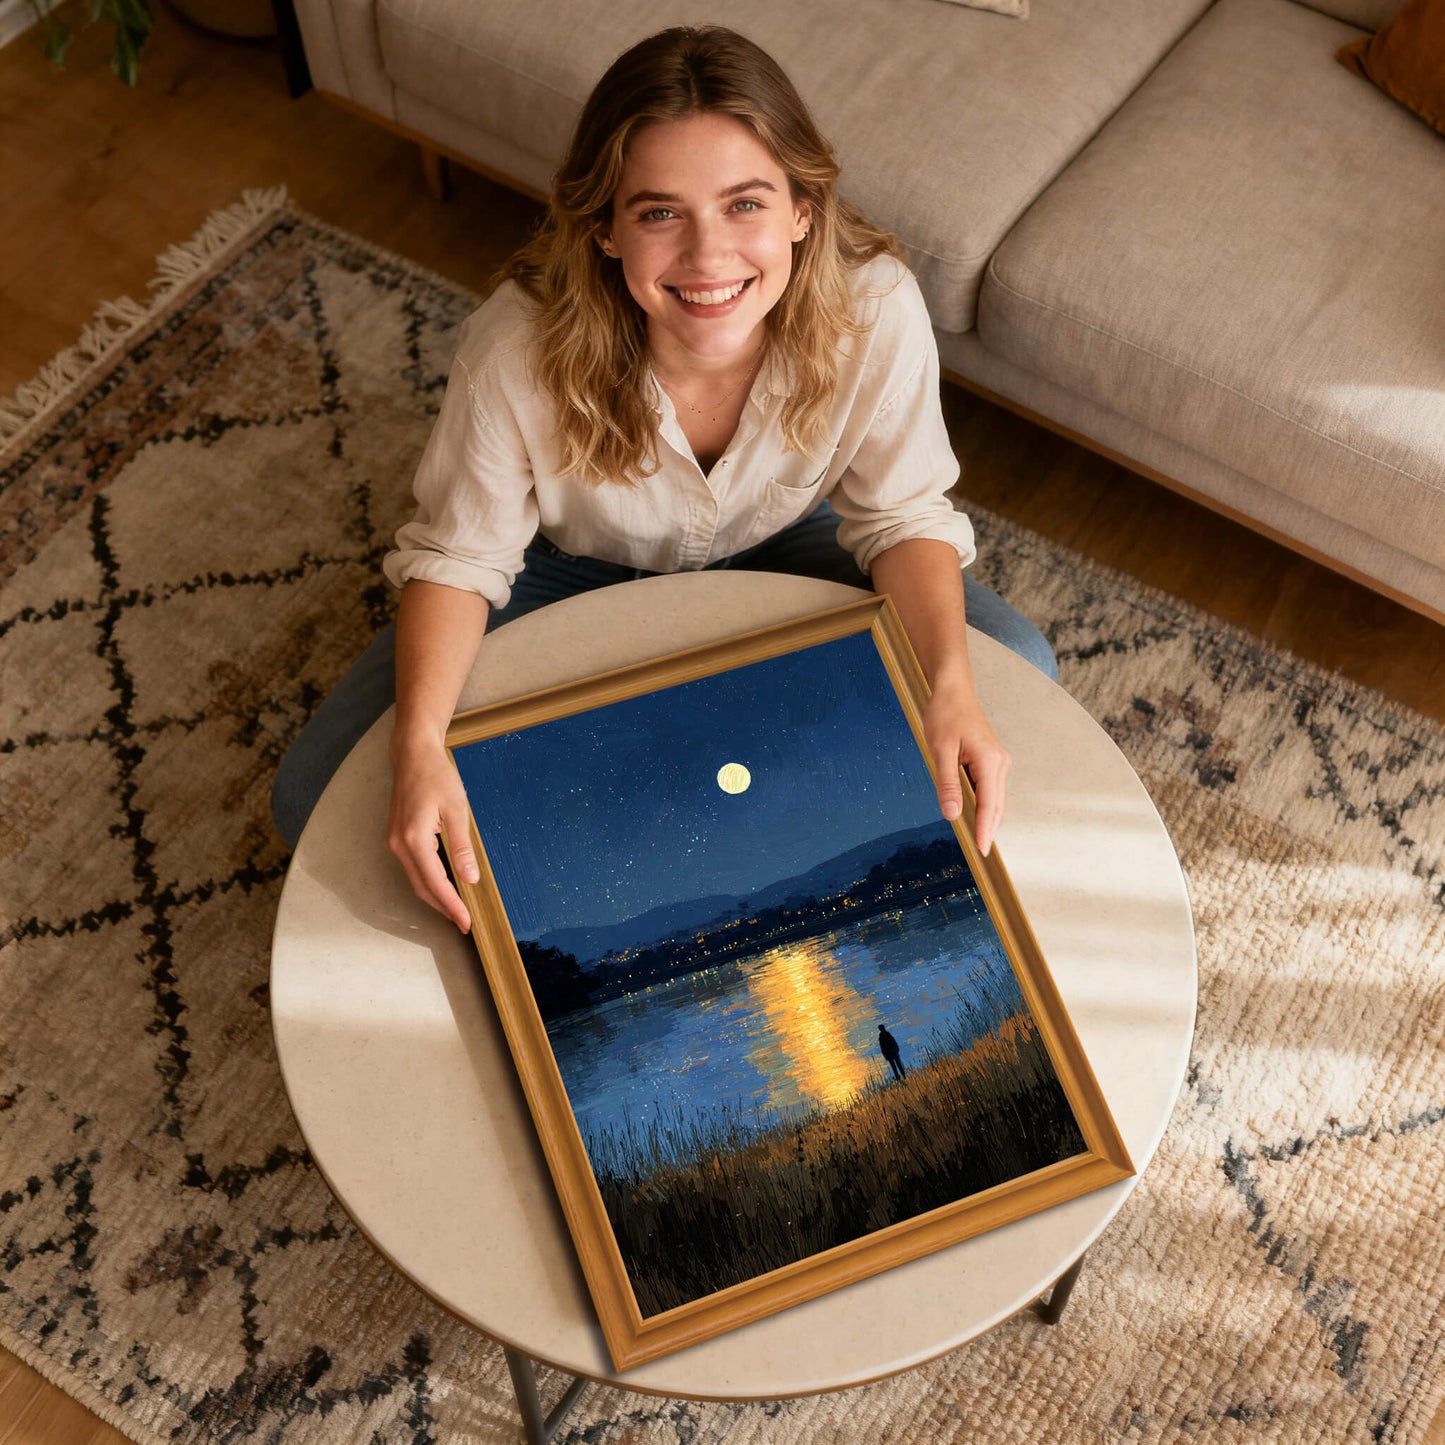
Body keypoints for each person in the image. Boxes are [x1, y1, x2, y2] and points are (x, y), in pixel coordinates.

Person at [271, 25, 1057, 933]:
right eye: (658, 213)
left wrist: (949, 680)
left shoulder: (875, 309)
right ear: (604, 227)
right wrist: (419, 748)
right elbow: (458, 559)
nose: (707, 257)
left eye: (744, 204)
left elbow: (900, 514)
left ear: (803, 208)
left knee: (1011, 666)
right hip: (560, 570)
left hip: (785, 546)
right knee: (316, 797)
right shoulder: (513, 353)